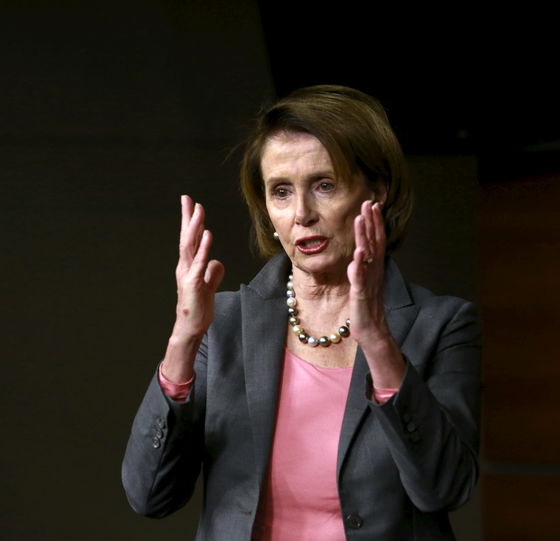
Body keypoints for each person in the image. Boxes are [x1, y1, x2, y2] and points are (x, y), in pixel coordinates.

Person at [122, 85, 481, 540]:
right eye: (281, 192)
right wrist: (183, 340)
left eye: (325, 185)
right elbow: (149, 495)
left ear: (378, 191)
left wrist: (378, 342)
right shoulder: (226, 322)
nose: (302, 214)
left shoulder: (443, 325)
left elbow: (445, 489)